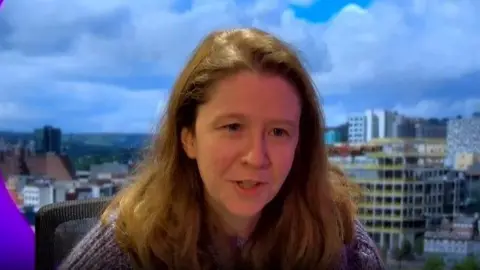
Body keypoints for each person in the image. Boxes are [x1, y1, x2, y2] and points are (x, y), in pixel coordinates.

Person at [59, 28, 384, 270]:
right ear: (189, 138)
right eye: (232, 127)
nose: (257, 157)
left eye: (278, 131)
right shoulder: (126, 249)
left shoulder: (341, 243)